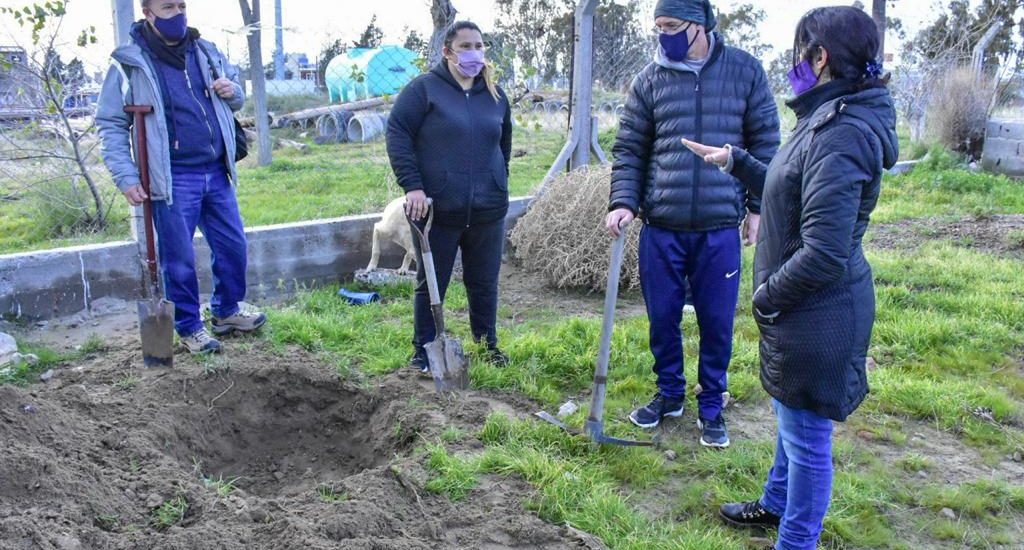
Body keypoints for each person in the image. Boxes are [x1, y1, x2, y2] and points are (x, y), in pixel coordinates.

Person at [684, 7, 898, 549]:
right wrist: (737, 162)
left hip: (816, 312)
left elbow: (824, 251)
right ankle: (775, 504)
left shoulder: (842, 133)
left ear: (820, 57)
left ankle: (795, 541)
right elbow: (793, 187)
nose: (793, 61)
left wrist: (765, 297)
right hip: (802, 307)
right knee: (791, 419)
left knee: (806, 440)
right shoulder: (826, 116)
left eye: (800, 49)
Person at [605, 0, 780, 447]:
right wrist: (624, 202)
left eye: (672, 26)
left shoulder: (745, 72)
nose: (663, 35)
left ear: (700, 25)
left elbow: (766, 145)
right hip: (661, 225)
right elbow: (630, 150)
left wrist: (757, 207)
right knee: (661, 318)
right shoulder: (650, 80)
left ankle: (712, 404)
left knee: (717, 321)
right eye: (658, 26)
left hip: (719, 225)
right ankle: (669, 394)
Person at [97, 0, 265, 354]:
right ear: (148, 13)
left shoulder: (205, 50)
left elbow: (235, 93)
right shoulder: (130, 63)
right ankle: (189, 326)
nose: (178, 14)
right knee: (179, 259)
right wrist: (126, 176)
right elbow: (111, 122)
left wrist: (233, 92)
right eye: (168, 7)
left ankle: (225, 311)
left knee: (234, 247)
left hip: (216, 169)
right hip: (173, 177)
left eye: (181, 5)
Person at [386, 21, 513, 372]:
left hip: (488, 207)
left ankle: (487, 344)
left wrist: (499, 182)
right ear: (447, 51)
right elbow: (398, 132)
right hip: (436, 210)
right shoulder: (424, 91)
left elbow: (503, 143)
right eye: (466, 46)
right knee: (432, 282)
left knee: (484, 281)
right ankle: (424, 349)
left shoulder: (495, 95)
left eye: (479, 45)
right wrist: (413, 186)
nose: (474, 53)